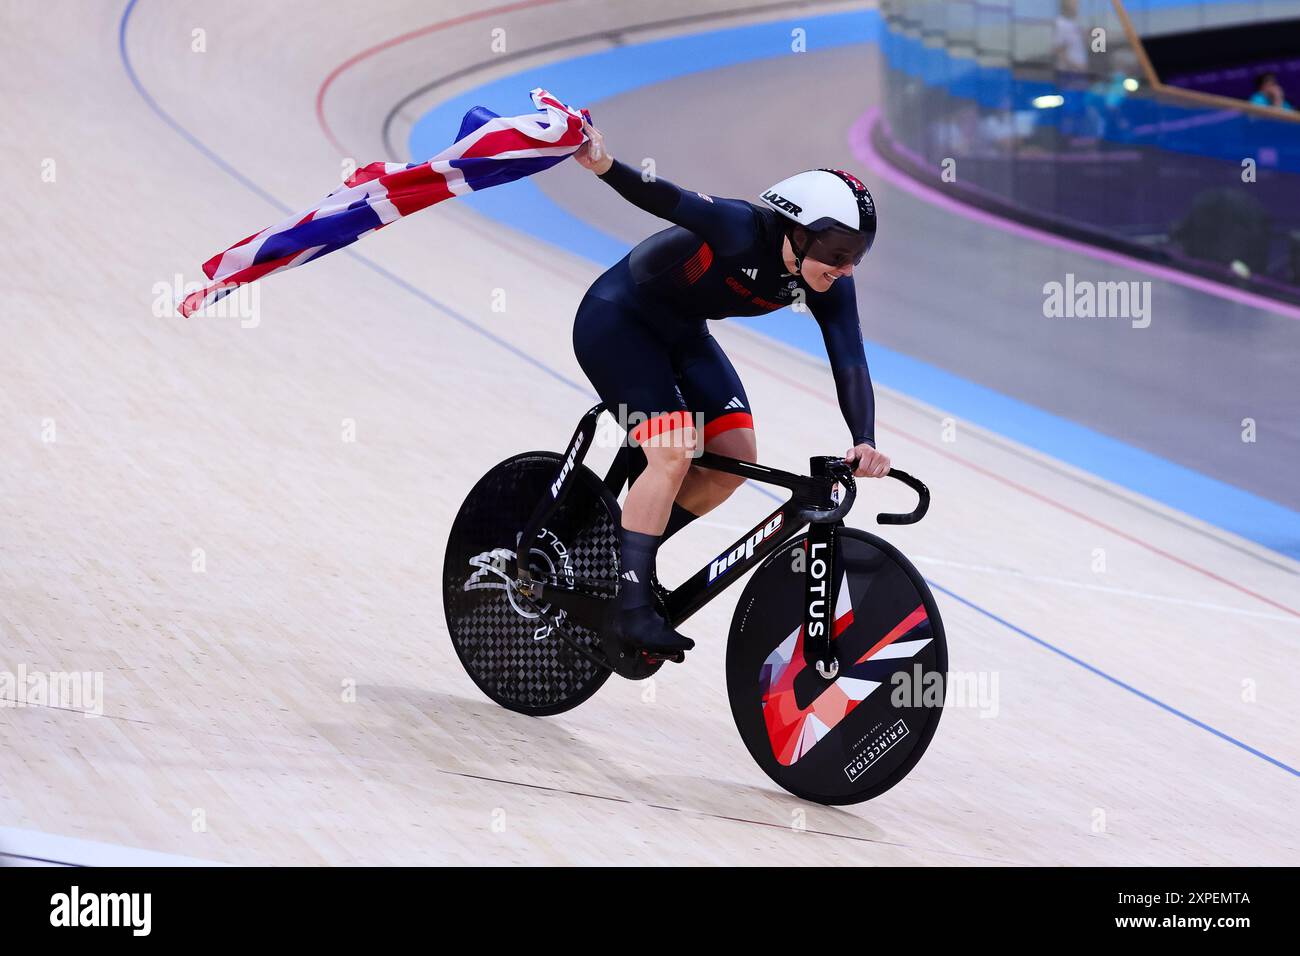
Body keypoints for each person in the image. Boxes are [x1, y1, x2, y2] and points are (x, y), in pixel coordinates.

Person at [571, 121, 891, 654]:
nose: (845, 269)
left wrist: (864, 436)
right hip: (618, 323)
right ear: (799, 231)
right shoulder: (740, 227)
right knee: (673, 455)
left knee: (733, 462)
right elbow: (665, 198)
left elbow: (850, 357)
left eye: (857, 256)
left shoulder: (831, 281)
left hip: (683, 335)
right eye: (837, 254)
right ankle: (630, 609)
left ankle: (613, 556)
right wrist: (604, 164)